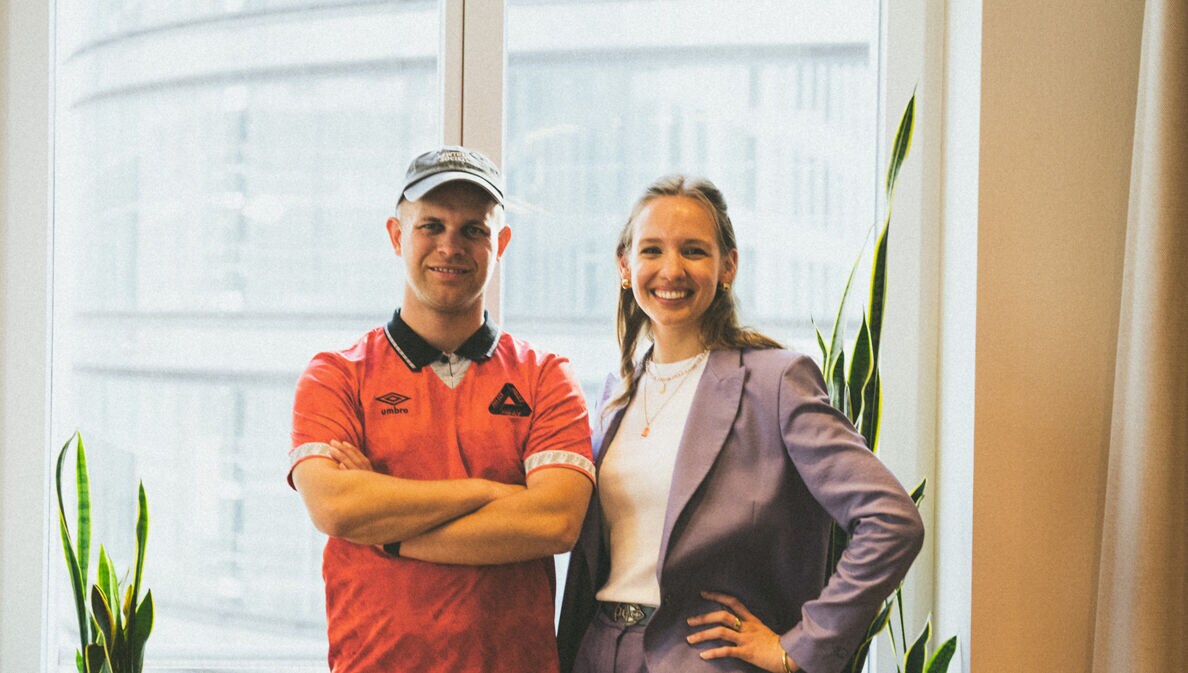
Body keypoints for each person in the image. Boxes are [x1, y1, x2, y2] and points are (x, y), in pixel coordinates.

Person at [556, 175, 925, 673]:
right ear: (625, 266)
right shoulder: (612, 394)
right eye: (651, 250)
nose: (671, 269)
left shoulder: (775, 383)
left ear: (728, 266)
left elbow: (891, 520)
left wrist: (801, 647)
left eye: (693, 251)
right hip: (600, 655)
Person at [288, 145, 596, 673]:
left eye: (473, 230)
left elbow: (555, 522)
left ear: (500, 244)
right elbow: (336, 509)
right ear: (396, 235)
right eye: (431, 225)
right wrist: (489, 492)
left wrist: (385, 530)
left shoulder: (547, 376)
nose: (450, 246)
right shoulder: (336, 374)